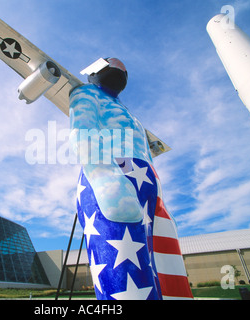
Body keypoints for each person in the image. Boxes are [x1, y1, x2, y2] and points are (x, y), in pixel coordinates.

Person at [70, 58, 193, 300]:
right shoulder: (87, 93)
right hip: (112, 170)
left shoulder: (126, 111)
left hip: (145, 177)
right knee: (125, 268)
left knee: (159, 259)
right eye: (111, 64)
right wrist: (103, 175)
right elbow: (82, 130)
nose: (120, 68)